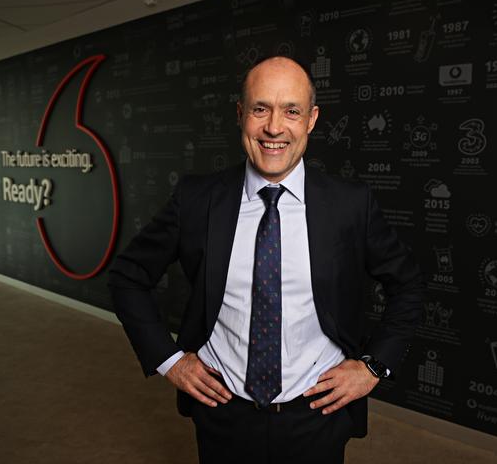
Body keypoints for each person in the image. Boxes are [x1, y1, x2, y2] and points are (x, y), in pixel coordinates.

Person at [108, 56, 426, 464]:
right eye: (261, 109)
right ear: (241, 115)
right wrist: (169, 360)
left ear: (311, 119)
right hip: (221, 411)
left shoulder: (350, 204)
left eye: (291, 111)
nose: (274, 127)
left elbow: (408, 285)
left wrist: (373, 367)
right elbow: (127, 276)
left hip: (317, 415)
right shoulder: (197, 199)